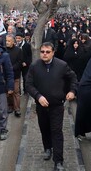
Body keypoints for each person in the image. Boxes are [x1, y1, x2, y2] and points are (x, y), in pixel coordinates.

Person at [25, 42, 77, 171]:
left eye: (48, 52)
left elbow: (73, 78)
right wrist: (38, 96)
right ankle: (47, 148)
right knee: (44, 128)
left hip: (57, 106)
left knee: (57, 132)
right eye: (42, 51)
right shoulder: (34, 66)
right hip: (41, 106)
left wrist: (72, 91)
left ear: (53, 52)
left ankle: (58, 161)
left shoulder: (62, 65)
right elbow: (28, 84)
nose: (44, 54)